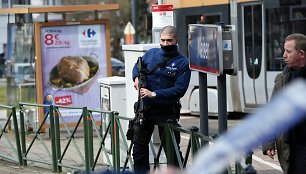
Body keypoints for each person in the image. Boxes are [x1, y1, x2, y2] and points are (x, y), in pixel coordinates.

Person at [131, 26, 191, 173]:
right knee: (138, 152)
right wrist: (136, 77)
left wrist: (154, 94)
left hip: (166, 111)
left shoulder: (183, 63)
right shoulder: (151, 54)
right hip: (145, 110)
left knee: (173, 155)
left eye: (169, 40)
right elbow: (137, 66)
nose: (165, 44)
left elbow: (179, 89)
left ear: (177, 40)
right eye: (163, 40)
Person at [262, 33, 306, 174]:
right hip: (293, 148)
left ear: (301, 54)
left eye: (288, 51)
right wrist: (269, 142)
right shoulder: (283, 78)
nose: (284, 55)